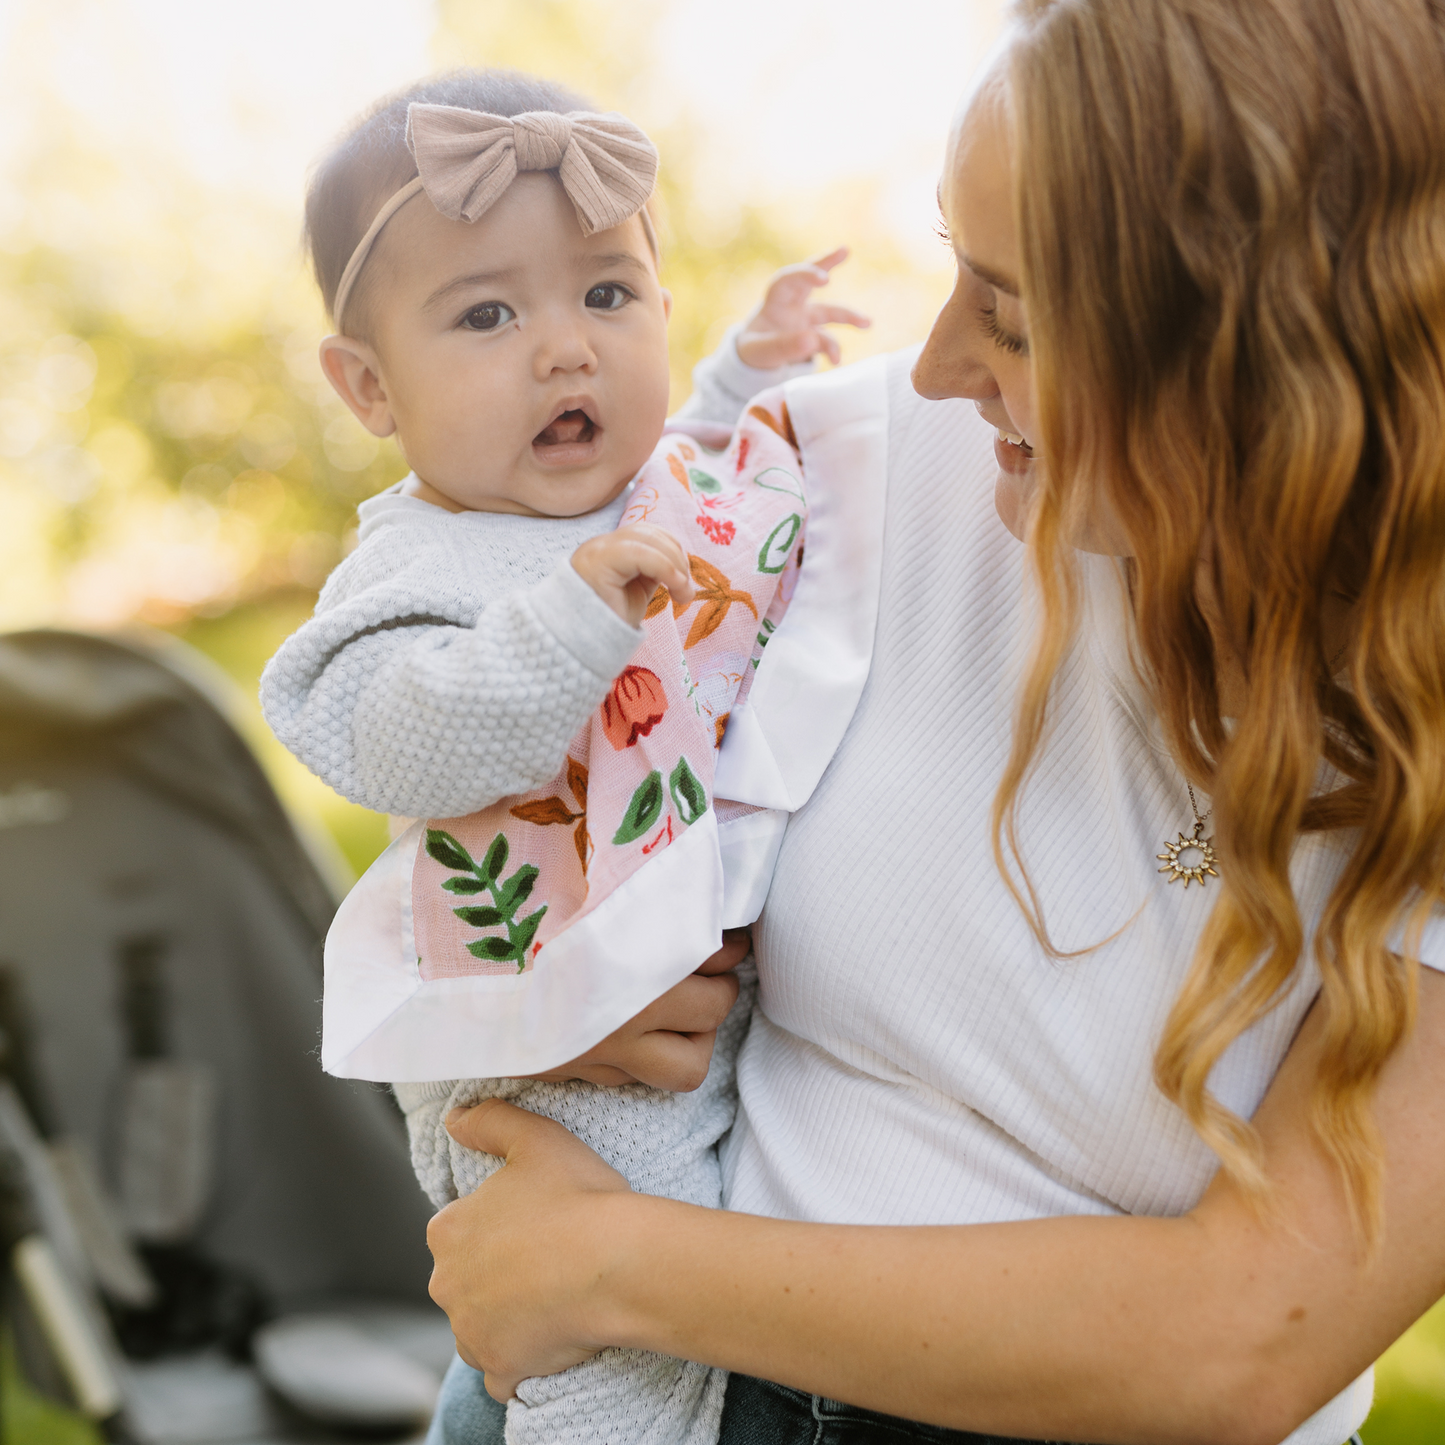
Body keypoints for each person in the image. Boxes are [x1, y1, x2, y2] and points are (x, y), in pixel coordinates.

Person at [420, 2, 1445, 1443]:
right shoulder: (851, 474)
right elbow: (456, 726)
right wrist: (574, 955)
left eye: (1018, 321)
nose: (940, 365)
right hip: (636, 1395)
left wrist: (611, 1265)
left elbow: (1248, 1339)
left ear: (1269, 363)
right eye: (959, 273)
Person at [259, 69, 872, 1445]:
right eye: (486, 313)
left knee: (648, 1311)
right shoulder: (422, 559)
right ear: (368, 385)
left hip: (680, 1008)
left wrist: (749, 371)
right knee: (605, 1361)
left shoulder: (636, 490)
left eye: (607, 296)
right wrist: (568, 624)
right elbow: (389, 732)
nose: (565, 351)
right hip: (545, 1057)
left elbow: (704, 466)